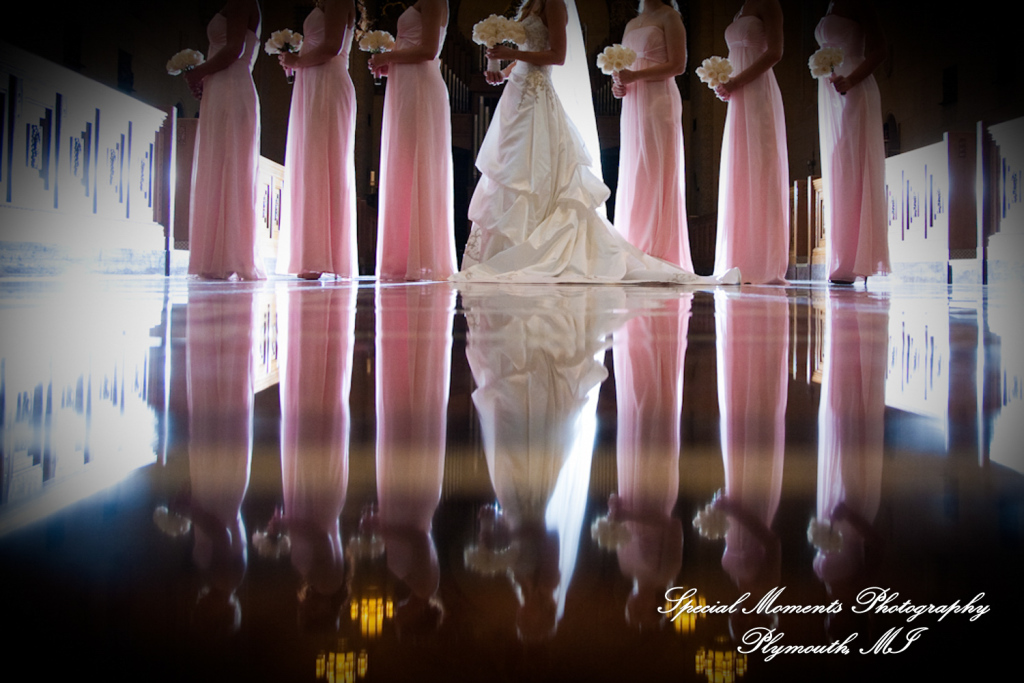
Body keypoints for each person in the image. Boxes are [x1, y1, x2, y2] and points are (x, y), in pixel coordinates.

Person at [453, 0, 738, 285]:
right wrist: (504, 69)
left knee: (539, 171)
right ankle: (508, 249)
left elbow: (557, 55)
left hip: (538, 96)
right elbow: (529, 52)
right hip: (516, 95)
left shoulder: (554, 4)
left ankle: (544, 249)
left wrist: (509, 52)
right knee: (513, 172)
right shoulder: (529, 7)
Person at [369, 0, 458, 281]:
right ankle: (404, 256)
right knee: (404, 166)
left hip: (420, 86)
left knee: (418, 164)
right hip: (406, 85)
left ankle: (423, 258)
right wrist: (391, 62)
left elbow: (429, 50)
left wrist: (390, 57)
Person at [276, 0, 358, 280]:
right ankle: (311, 252)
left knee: (321, 162)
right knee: (310, 163)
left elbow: (331, 45)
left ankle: (321, 256)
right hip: (313, 82)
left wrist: (298, 60)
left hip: (326, 83)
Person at [185, 0, 266, 280]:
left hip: (231, 87)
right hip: (221, 88)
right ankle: (217, 255)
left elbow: (234, 49)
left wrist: (199, 71)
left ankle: (231, 254)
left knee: (231, 168)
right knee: (217, 165)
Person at [711, 0, 789, 285]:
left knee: (761, 170)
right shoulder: (739, 9)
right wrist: (725, 82)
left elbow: (775, 52)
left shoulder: (769, 4)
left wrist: (737, 81)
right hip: (738, 95)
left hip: (757, 91)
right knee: (740, 171)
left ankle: (765, 262)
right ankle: (738, 256)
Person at [611, 0, 693, 270]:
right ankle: (633, 246)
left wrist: (636, 75)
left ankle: (658, 251)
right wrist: (619, 84)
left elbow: (678, 65)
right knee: (635, 171)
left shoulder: (670, 17)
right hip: (633, 104)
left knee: (655, 169)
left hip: (659, 100)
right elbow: (624, 66)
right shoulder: (632, 24)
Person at [815, 0, 890, 285]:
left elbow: (880, 49)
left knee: (852, 167)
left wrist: (852, 79)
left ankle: (857, 259)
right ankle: (843, 257)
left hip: (855, 87)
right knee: (840, 169)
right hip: (834, 89)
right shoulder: (831, 4)